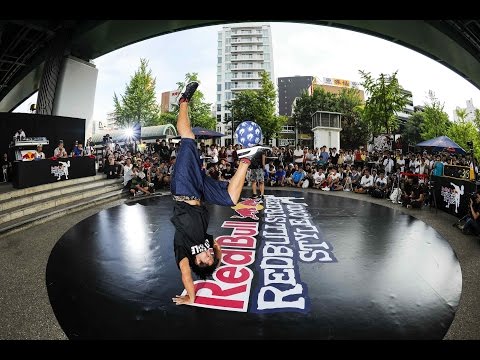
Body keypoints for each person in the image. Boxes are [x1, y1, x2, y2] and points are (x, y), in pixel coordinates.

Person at [170, 81, 269, 306]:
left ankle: (183, 100)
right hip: (201, 193)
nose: (210, 254)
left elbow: (186, 276)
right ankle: (246, 157)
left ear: (197, 261)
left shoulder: (183, 252)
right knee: (231, 198)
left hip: (184, 188)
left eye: (206, 259)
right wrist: (217, 259)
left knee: (188, 138)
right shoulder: (207, 242)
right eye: (211, 256)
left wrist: (190, 297)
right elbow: (218, 251)